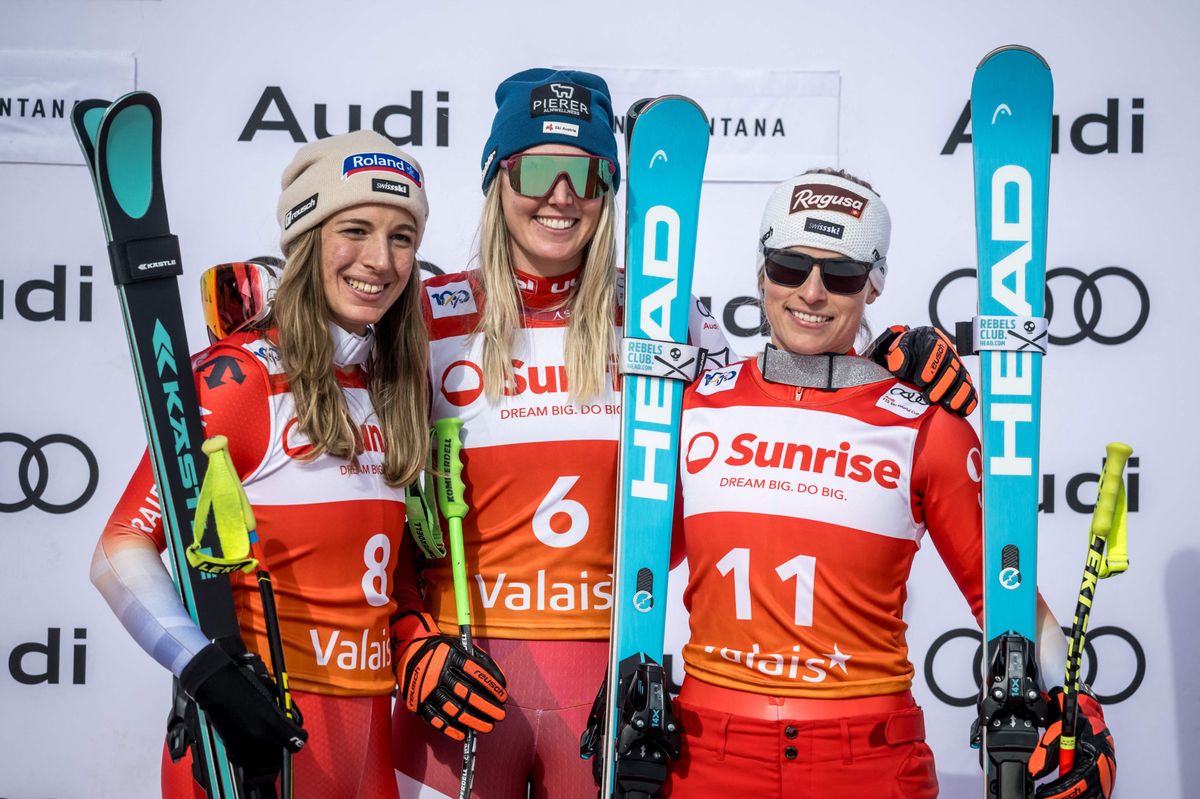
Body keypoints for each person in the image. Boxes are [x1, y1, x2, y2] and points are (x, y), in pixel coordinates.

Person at [391, 69, 979, 799]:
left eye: (588, 173)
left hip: (604, 675)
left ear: (611, 189)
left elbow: (775, 401)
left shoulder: (665, 321)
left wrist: (893, 359)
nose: (562, 195)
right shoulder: (426, 319)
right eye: (538, 168)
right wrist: (410, 640)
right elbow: (364, 508)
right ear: (496, 179)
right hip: (462, 677)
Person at [664, 170, 1116, 798]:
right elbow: (634, 563)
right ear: (762, 272)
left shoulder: (926, 424)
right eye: (790, 266)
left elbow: (1004, 595)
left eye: (842, 274)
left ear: (873, 284)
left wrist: (1077, 703)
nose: (812, 293)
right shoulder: (693, 408)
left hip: (866, 758)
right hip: (707, 753)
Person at [91, 130, 493, 799]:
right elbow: (117, 551)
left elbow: (379, 577)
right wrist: (208, 674)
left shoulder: (388, 388)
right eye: (356, 229)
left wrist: (416, 638)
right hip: (256, 742)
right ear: (305, 240)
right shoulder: (243, 378)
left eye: (402, 237)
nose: (381, 259)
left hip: (367, 743)